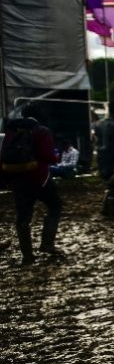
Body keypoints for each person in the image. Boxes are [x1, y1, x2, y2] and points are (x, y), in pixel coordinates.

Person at [1, 102, 62, 264]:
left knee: (22, 217)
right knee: (55, 205)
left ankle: (27, 255)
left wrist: (7, 178)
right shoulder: (41, 131)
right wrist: (56, 158)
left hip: (17, 179)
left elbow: (4, 154)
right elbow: (47, 156)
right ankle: (47, 244)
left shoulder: (11, 129)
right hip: (39, 178)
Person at [94, 100, 114, 219]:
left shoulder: (98, 124)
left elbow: (95, 140)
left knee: (108, 184)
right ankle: (113, 213)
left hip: (101, 158)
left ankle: (105, 210)